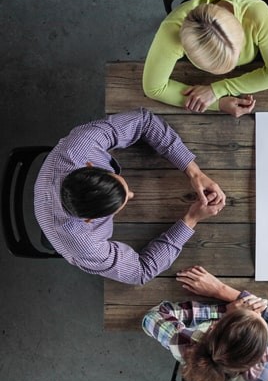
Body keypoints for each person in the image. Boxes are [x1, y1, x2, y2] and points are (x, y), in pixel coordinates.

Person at [34, 108, 225, 284]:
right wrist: (191, 219)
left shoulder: (81, 145)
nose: (132, 194)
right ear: (90, 220)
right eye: (123, 202)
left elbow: (145, 121)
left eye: (123, 188)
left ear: (91, 166)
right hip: (56, 230)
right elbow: (141, 271)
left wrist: (194, 172)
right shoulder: (84, 245)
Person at [143, 266, 268, 381]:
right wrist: (234, 297)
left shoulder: (184, 345)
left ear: (213, 326)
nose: (258, 312)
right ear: (261, 352)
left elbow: (152, 317)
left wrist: (222, 301)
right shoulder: (267, 367)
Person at [143, 0, 268, 118]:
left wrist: (218, 89)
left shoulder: (259, 15)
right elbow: (153, 88)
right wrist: (218, 103)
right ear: (186, 50)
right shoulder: (170, 31)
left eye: (239, 50)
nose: (234, 67)